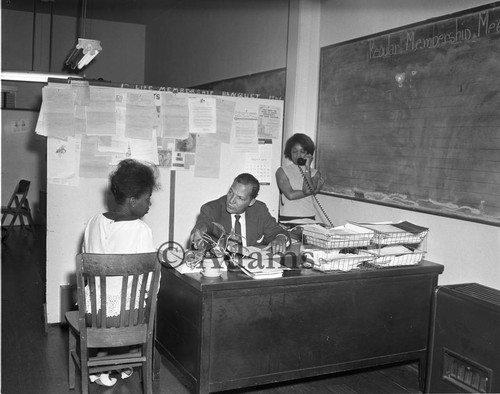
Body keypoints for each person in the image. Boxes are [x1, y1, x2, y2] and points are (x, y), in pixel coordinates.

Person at [82, 158, 159, 387]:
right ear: (133, 200)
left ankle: (111, 361)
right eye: (148, 199)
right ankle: (107, 361)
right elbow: (151, 282)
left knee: (121, 298)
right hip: (124, 318)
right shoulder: (141, 230)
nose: (149, 205)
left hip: (92, 311)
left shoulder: (93, 222)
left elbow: (87, 263)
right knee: (151, 299)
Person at [190, 173, 289, 256]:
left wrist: (280, 239)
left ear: (251, 201)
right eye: (230, 192)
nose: (231, 201)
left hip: (254, 267)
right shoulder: (211, 209)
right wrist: (199, 232)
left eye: (240, 198)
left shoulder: (259, 210)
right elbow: (203, 224)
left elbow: (279, 232)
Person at [276, 133, 324, 222]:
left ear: (308, 153)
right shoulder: (282, 171)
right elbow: (290, 195)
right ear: (289, 153)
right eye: (294, 152)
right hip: (288, 219)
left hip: (309, 218)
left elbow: (307, 190)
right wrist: (314, 190)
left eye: (302, 152)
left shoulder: (314, 173)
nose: (298, 155)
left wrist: (307, 168)